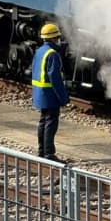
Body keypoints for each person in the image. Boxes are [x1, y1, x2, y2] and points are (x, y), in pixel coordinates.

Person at [31, 23, 70, 162]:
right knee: (51, 123)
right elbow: (56, 79)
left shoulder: (40, 51)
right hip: (49, 94)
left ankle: (41, 151)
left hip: (39, 92)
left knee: (43, 121)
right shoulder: (53, 55)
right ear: (55, 38)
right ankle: (49, 154)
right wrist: (63, 97)